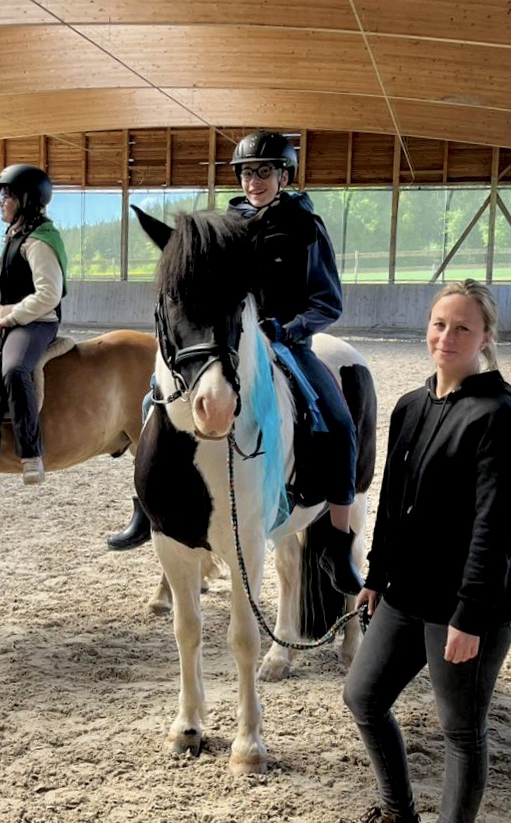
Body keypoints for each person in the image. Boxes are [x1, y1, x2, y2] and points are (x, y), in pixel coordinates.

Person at [109, 132, 363, 599]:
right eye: (247, 172)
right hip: (231, 344)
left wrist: (289, 329)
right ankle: (149, 507)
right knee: (153, 401)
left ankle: (338, 541)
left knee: (340, 422)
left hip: (287, 343)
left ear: (284, 175)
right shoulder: (228, 225)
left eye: (264, 171)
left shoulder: (306, 226)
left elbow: (328, 301)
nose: (254, 181)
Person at [342, 280, 511, 823]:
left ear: (485, 337)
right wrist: (376, 576)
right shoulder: (411, 405)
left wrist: (469, 617)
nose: (447, 337)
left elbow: (495, 530)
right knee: (363, 697)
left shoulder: (497, 417)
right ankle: (399, 815)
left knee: (461, 731)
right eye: (440, 324)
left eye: (463, 328)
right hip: (404, 594)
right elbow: (392, 501)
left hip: (465, 609)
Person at [0, 164, 67, 485]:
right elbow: (11, 290)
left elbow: (48, 294)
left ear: (27, 200)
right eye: (1, 195)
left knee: (15, 369)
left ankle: (31, 453)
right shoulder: (17, 235)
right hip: (14, 317)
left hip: (38, 322)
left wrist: (10, 318)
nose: (1, 201)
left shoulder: (40, 240)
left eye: (7, 195)